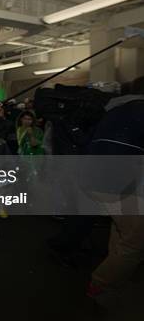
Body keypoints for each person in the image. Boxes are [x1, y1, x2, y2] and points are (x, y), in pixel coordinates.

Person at [87, 76, 144, 305]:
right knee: (136, 241)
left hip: (97, 181)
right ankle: (101, 282)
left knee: (121, 231)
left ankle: (114, 278)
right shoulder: (141, 110)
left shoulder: (115, 109)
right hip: (121, 185)